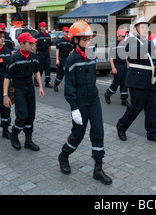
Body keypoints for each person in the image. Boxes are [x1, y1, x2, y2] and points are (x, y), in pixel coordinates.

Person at [58, 20, 112, 185]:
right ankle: (64, 155)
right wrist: (74, 108)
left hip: (93, 99)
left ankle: (98, 168)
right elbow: (70, 86)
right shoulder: (71, 59)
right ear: (75, 40)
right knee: (78, 134)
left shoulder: (91, 54)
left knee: (98, 132)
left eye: (89, 39)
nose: (88, 42)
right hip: (80, 101)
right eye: (84, 39)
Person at [116, 16, 156, 144]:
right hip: (137, 80)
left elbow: (154, 61)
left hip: (151, 80)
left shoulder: (148, 42)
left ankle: (152, 133)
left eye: (146, 27)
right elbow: (136, 53)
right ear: (136, 29)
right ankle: (121, 126)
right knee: (135, 108)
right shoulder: (131, 41)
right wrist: (154, 43)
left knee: (152, 108)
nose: (144, 29)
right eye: (141, 27)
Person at [4, 32, 44, 151]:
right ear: (22, 44)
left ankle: (28, 140)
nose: (32, 45)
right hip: (18, 89)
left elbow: (36, 71)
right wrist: (5, 95)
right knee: (22, 115)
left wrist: (40, 86)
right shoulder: (14, 58)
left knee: (31, 114)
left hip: (29, 88)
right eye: (30, 43)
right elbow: (7, 77)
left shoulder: (33, 56)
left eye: (33, 43)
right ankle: (14, 134)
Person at [104, 29, 129, 106]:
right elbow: (111, 57)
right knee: (116, 82)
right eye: (123, 36)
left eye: (125, 36)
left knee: (125, 82)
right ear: (118, 36)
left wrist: (128, 64)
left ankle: (124, 99)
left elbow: (126, 55)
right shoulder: (114, 44)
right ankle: (108, 93)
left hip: (124, 65)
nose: (124, 37)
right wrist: (113, 68)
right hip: (117, 65)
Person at [53, 27, 73, 92]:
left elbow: (70, 51)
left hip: (68, 59)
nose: (67, 33)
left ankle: (69, 87)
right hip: (62, 59)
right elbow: (57, 50)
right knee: (61, 73)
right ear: (63, 32)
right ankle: (56, 84)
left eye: (68, 32)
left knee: (69, 73)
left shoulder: (69, 41)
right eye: (65, 32)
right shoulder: (60, 41)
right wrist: (57, 60)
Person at [34, 22, 53, 88]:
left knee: (48, 67)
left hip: (46, 53)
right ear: (40, 27)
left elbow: (49, 46)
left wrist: (50, 55)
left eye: (45, 26)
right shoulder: (38, 36)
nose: (45, 28)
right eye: (43, 26)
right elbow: (35, 46)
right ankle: (36, 80)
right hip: (40, 53)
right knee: (40, 67)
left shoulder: (48, 36)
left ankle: (47, 82)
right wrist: (35, 55)